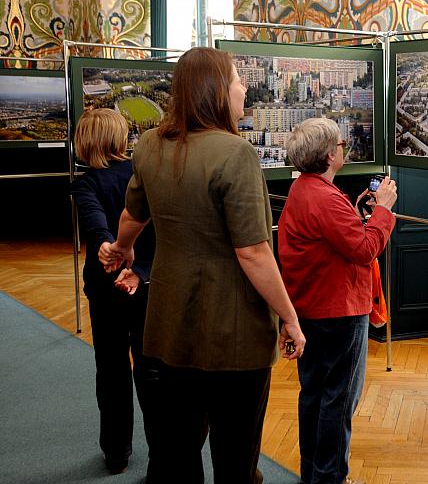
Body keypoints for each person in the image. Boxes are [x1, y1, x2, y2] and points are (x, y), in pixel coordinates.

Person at [99, 47, 306, 484]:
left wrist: (121, 248)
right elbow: (253, 252)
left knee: (177, 454)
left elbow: (132, 216)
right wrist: (289, 317)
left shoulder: (151, 145)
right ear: (217, 91)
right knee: (235, 461)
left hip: (170, 325)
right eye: (237, 80)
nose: (244, 88)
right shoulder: (236, 153)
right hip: (234, 334)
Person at [277, 118, 397, 484]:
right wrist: (384, 210)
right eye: (341, 144)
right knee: (339, 400)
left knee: (314, 394)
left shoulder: (302, 189)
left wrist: (361, 217)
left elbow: (337, 240)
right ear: (330, 155)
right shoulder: (326, 198)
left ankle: (313, 473)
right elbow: (364, 249)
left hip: (309, 309)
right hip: (338, 312)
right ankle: (330, 477)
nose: (344, 148)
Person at [70, 108, 156, 475]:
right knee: (151, 371)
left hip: (105, 288)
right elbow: (156, 228)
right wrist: (135, 265)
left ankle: (116, 453)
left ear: (84, 142)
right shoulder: (143, 174)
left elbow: (96, 224)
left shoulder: (85, 184)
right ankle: (162, 454)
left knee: (111, 369)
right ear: (120, 137)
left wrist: (109, 247)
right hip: (145, 283)